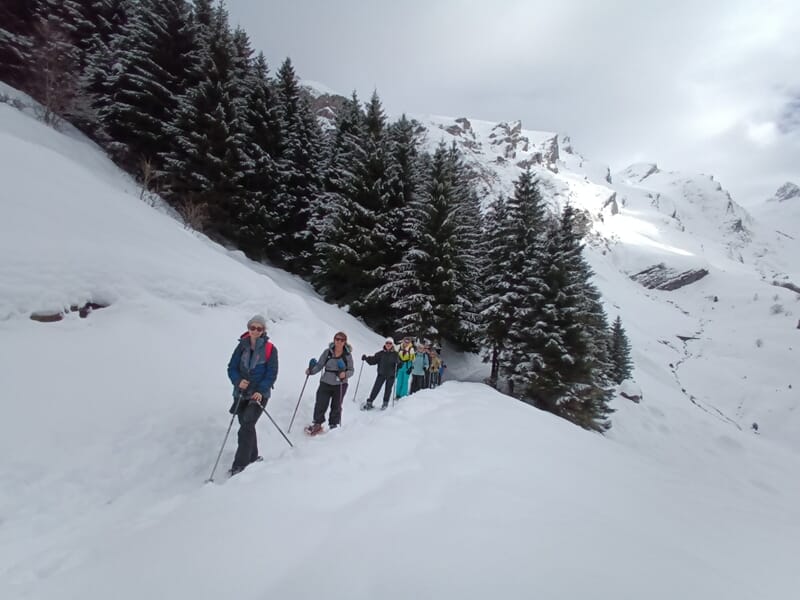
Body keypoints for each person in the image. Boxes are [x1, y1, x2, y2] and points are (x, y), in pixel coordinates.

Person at [226, 314, 279, 475]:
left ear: (263, 331)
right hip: (241, 392)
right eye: (252, 327)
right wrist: (237, 381)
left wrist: (260, 391)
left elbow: (272, 373)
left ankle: (240, 465)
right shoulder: (241, 346)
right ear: (248, 328)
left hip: (259, 395)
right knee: (246, 425)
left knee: (247, 424)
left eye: (259, 328)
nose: (255, 331)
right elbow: (231, 368)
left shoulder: (270, 349)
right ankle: (253, 457)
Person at [305, 331, 354, 435]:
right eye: (337, 339)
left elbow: (351, 370)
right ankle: (317, 424)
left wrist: (344, 374)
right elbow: (319, 365)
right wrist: (311, 371)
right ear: (334, 340)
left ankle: (333, 425)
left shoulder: (347, 355)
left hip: (340, 383)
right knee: (320, 403)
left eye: (341, 340)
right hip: (326, 381)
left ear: (345, 342)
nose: (339, 342)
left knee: (336, 405)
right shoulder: (327, 352)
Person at [361, 338, 400, 410]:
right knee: (376, 388)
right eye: (387, 343)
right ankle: (370, 402)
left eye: (390, 343)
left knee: (388, 390)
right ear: (385, 344)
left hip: (391, 375)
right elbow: (373, 360)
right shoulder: (380, 353)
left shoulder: (395, 354)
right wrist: (366, 358)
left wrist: (399, 363)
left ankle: (385, 404)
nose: (388, 345)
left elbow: (400, 364)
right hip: (381, 374)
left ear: (392, 345)